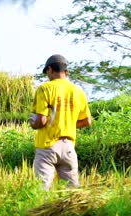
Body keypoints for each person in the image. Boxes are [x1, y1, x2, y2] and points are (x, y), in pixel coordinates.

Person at [29, 54, 92, 191]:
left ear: (50, 70)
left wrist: (32, 123)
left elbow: (41, 120)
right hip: (69, 147)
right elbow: (87, 121)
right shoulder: (78, 91)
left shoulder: (45, 89)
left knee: (42, 189)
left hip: (48, 146)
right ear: (66, 71)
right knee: (72, 192)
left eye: (47, 72)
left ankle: (41, 211)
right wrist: (67, 124)